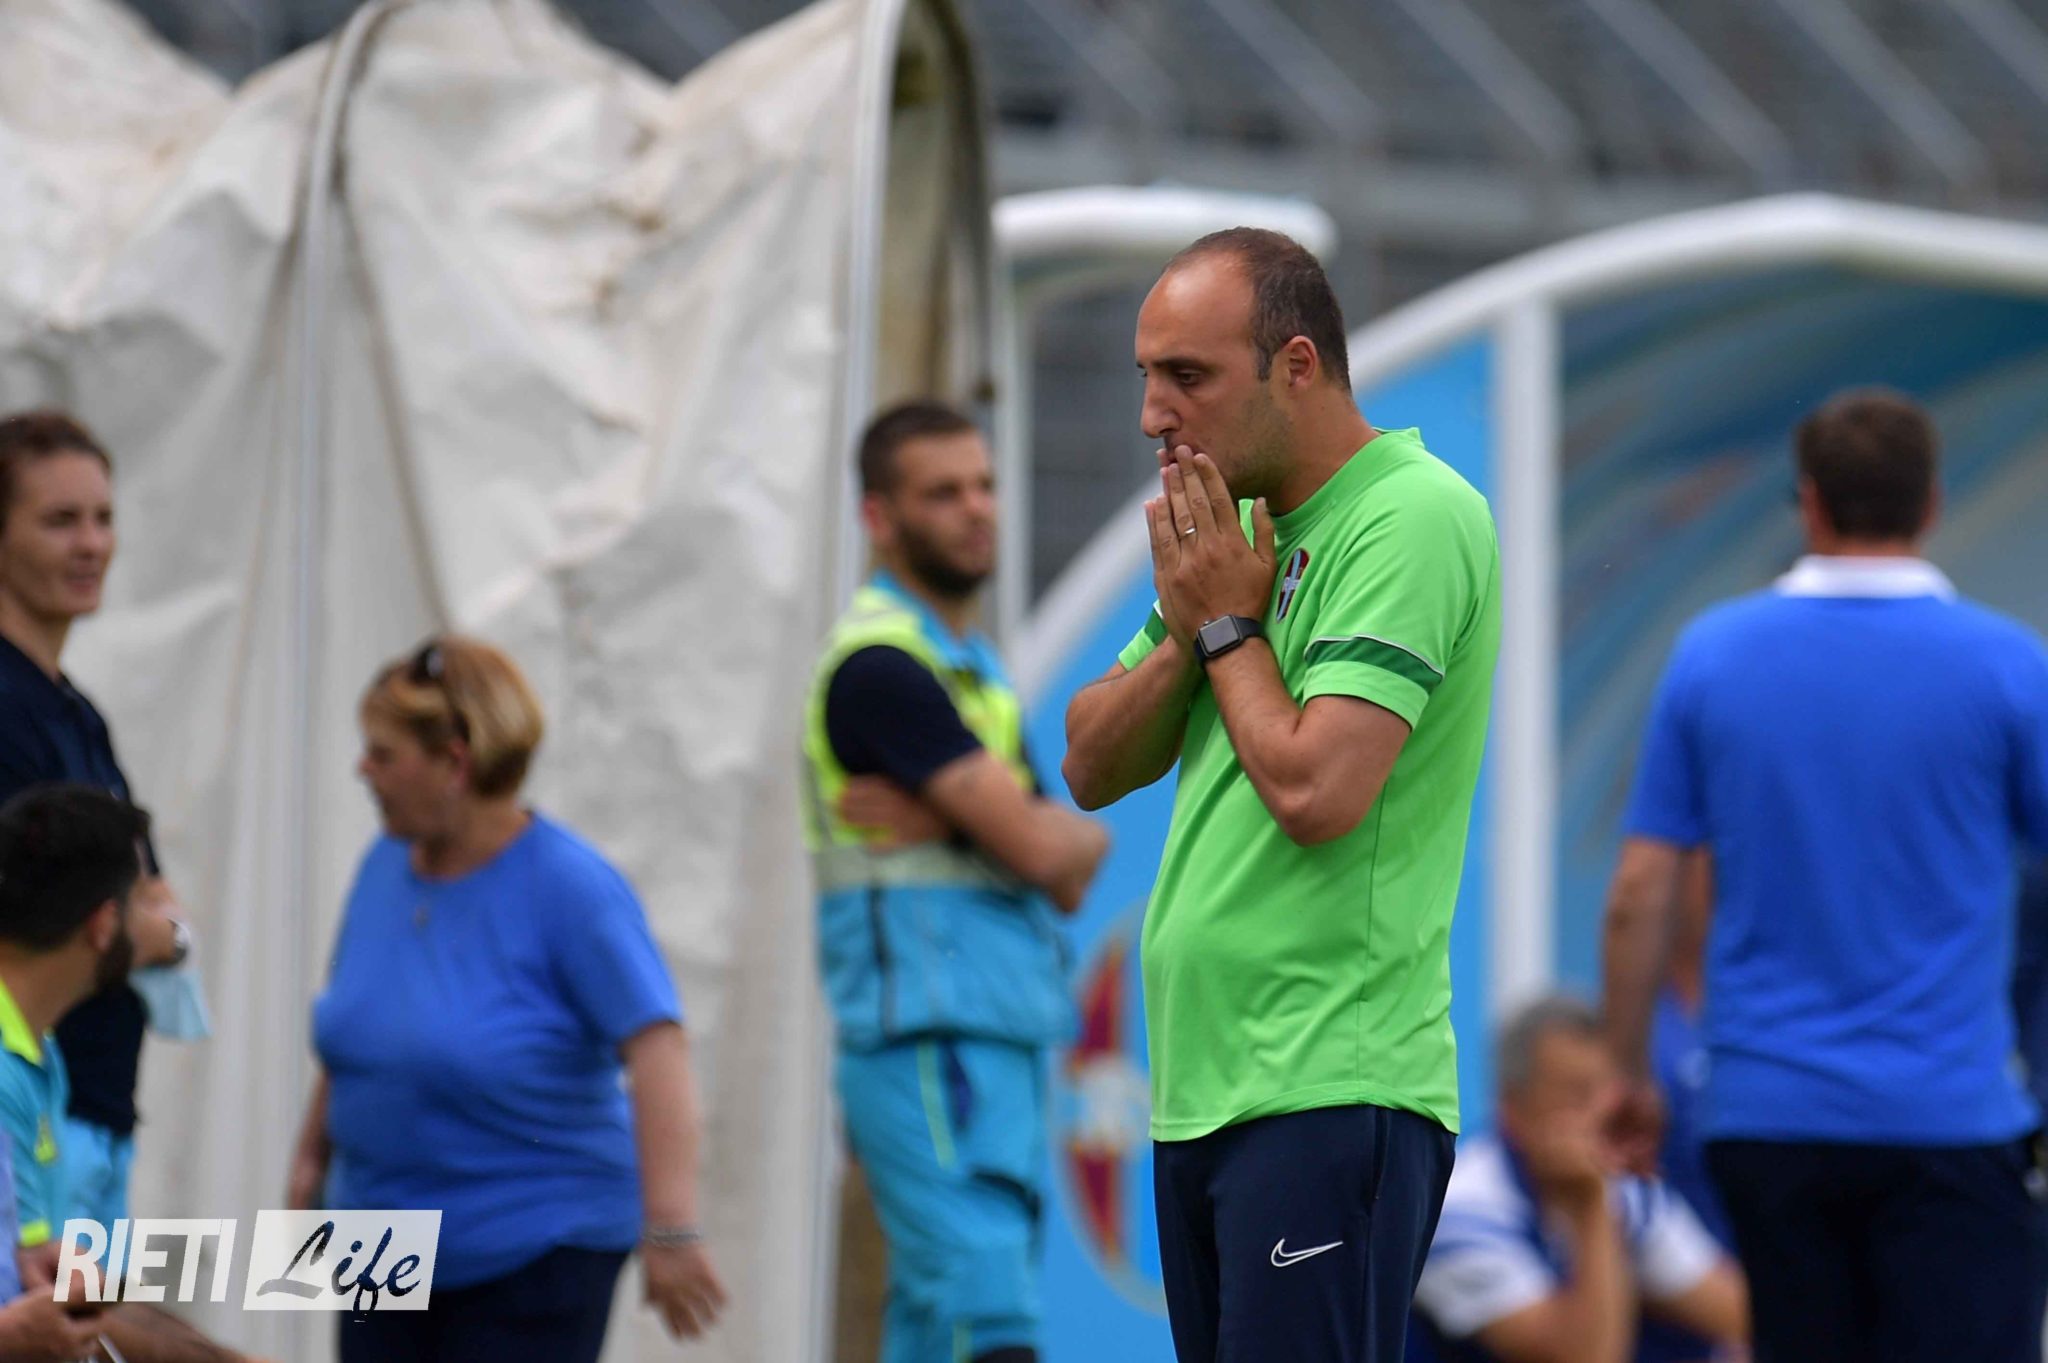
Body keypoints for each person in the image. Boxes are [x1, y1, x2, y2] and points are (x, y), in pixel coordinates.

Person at [1062, 228, 1501, 1362]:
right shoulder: (1239, 530)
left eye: (1187, 376)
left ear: (1296, 365)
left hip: (1329, 1085)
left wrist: (1222, 624)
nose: (1153, 414)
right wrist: (1193, 628)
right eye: (1146, 376)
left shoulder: (1412, 514)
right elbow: (1089, 761)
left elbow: (1315, 789)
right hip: (1202, 1092)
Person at [1602, 388, 2048, 1363]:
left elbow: (1640, 890)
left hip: (1768, 1116)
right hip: (1951, 1116)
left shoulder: (1711, 657)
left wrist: (1629, 1075)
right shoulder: (2010, 668)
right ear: (1930, 502)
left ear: (1806, 501)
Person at [291, 636, 725, 1362]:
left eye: (383, 754)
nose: (363, 770)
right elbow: (359, 1028)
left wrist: (672, 1226)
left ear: (455, 763)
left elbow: (659, 1049)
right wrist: (310, 1163)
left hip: (530, 1245)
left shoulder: (570, 887)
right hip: (378, 1242)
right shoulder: (382, 864)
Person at [801, 400, 1110, 1363]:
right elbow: (1044, 852)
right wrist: (1012, 830)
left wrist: (968, 821)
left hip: (993, 1036)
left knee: (939, 1328)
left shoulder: (970, 667)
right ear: (878, 517)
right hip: (925, 1041)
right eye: (943, 493)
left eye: (984, 485)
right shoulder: (881, 667)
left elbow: (1077, 862)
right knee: (987, 1319)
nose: (977, 509)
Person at [0, 411, 192, 1234]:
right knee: (64, 1305)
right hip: (37, 1115)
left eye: (103, 518)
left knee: (114, 1305)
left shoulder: (76, 712)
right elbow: (57, 918)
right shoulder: (8, 710)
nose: (90, 544)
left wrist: (147, 919)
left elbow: (139, 894)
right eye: (59, 520)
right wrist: (148, 932)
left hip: (95, 1111)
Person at [0, 784, 265, 1363]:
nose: (169, 923)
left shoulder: (39, 1052)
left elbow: (47, 1294)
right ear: (103, 925)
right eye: (148, 901)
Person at [1410, 998, 1745, 1363]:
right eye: (1576, 1094)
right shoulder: (1460, 1209)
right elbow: (1586, 1357)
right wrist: (1592, 1205)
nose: (1599, 1115)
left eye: (1606, 1094)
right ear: (1513, 1109)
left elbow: (1740, 1315)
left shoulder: (1628, 1190)